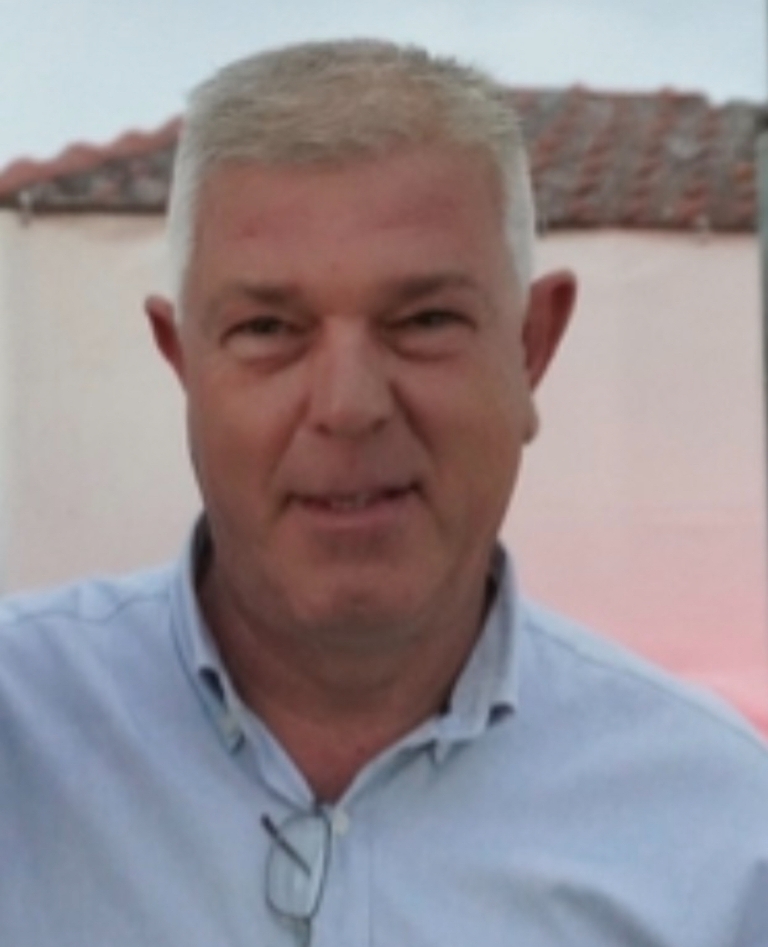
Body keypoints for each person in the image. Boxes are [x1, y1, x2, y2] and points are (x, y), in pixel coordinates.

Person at [1, 38, 767, 947]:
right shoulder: (22, 746)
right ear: (184, 364)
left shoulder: (725, 835)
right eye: (268, 328)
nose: (349, 405)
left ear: (531, 348)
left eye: (425, 320)